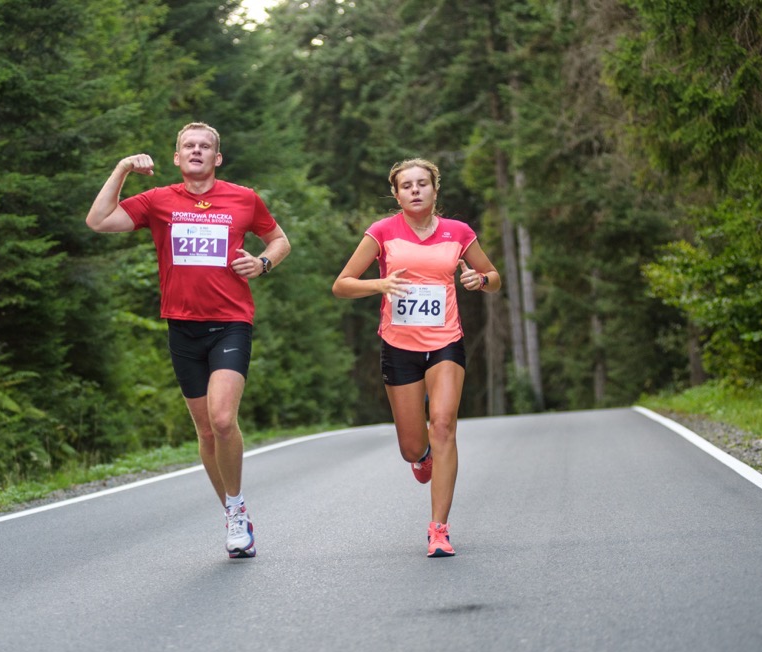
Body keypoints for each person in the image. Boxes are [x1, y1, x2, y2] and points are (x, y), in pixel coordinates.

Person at [85, 122, 290, 559]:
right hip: (181, 327)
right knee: (206, 431)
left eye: (205, 146)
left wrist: (263, 263)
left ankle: (236, 509)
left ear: (218, 158)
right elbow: (98, 220)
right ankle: (233, 511)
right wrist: (122, 169)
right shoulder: (159, 200)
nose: (197, 151)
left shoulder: (244, 198)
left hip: (231, 322)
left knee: (222, 419)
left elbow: (279, 240)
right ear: (177, 158)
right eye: (188, 146)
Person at [332, 158, 500, 558]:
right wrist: (380, 284)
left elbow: (494, 278)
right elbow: (342, 285)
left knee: (442, 425)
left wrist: (479, 280)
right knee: (412, 447)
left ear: (435, 189)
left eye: (422, 183)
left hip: (446, 341)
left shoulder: (458, 232)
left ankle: (438, 529)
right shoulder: (381, 232)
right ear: (396, 194)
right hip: (399, 345)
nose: (415, 190)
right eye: (406, 186)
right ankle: (422, 458)